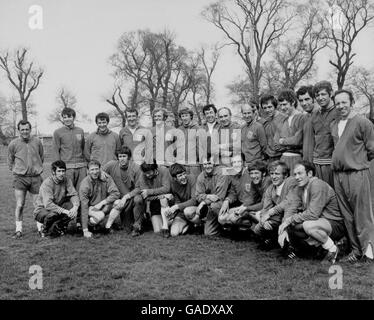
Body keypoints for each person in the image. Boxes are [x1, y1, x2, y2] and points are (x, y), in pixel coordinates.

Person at [331, 89, 374, 263]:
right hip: (339, 175)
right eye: (338, 103)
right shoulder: (334, 124)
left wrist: (358, 161)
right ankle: (356, 251)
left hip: (357, 173)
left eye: (344, 102)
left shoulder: (363, 122)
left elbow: (371, 149)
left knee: (362, 213)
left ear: (352, 102)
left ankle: (369, 252)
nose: (341, 106)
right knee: (347, 215)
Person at [278, 161, 345, 263]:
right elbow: (291, 207)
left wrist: (289, 220)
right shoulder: (301, 187)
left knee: (308, 225)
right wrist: (284, 227)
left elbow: (313, 214)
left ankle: (333, 249)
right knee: (293, 227)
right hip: (319, 222)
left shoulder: (317, 184)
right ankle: (314, 249)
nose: (296, 177)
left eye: (300, 173)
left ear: (309, 174)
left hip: (334, 223)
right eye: (295, 174)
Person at [8, 120, 44, 239]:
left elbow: (41, 156)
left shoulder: (37, 141)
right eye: (22, 129)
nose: (25, 131)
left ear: (30, 129)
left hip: (35, 178)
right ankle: (18, 230)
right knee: (20, 204)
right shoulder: (13, 144)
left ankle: (41, 229)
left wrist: (36, 168)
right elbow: (10, 161)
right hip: (20, 178)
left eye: (27, 129)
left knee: (38, 205)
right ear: (19, 130)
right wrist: (17, 170)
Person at [253, 161, 298, 250]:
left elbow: (289, 202)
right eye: (272, 174)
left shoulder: (291, 182)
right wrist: (264, 221)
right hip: (279, 215)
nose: (273, 177)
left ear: (285, 175)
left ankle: (292, 245)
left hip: (294, 213)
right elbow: (265, 208)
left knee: (287, 225)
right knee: (258, 229)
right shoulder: (270, 189)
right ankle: (272, 239)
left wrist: (271, 212)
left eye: (277, 174)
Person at [218, 156, 271, 230]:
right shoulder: (233, 175)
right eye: (234, 162)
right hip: (248, 206)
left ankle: (252, 227)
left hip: (258, 207)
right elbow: (233, 192)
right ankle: (247, 225)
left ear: (244, 163)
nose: (253, 175)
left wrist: (243, 209)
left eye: (239, 162)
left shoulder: (263, 180)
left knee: (233, 217)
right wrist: (227, 200)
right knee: (221, 218)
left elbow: (254, 199)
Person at [102, 146, 144, 236]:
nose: (122, 159)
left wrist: (126, 196)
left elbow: (139, 188)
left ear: (129, 157)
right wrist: (106, 179)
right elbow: (101, 172)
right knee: (127, 227)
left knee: (138, 199)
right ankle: (110, 225)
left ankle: (137, 225)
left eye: (124, 156)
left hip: (132, 197)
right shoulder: (111, 165)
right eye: (120, 156)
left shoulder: (136, 168)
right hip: (119, 197)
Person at [33, 160, 80, 238]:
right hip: (42, 210)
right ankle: (44, 230)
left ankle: (59, 227)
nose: (62, 174)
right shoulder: (47, 183)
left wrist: (75, 207)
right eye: (59, 171)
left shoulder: (67, 180)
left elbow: (74, 194)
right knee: (53, 214)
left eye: (63, 171)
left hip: (58, 206)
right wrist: (65, 211)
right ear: (53, 172)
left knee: (72, 207)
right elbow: (48, 204)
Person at [79, 160, 120, 238]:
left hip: (103, 205)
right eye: (92, 170)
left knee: (118, 202)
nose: (95, 172)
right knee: (100, 215)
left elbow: (116, 193)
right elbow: (84, 207)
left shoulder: (106, 177)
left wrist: (102, 202)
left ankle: (108, 226)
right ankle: (89, 225)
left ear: (100, 169)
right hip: (91, 208)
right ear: (87, 171)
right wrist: (85, 230)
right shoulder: (84, 184)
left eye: (96, 169)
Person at [309, 81, 337, 187]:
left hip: (332, 162)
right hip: (317, 162)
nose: (320, 98)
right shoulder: (315, 114)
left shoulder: (338, 112)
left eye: (323, 94)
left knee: (334, 194)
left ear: (331, 93)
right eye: (317, 95)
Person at [195, 154, 230, 236]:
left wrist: (203, 202)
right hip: (210, 206)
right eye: (205, 164)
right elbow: (197, 195)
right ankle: (220, 228)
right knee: (208, 233)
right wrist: (207, 196)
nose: (207, 166)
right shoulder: (201, 176)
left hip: (224, 202)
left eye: (209, 163)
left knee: (214, 206)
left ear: (214, 163)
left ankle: (228, 227)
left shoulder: (221, 172)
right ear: (202, 165)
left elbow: (219, 196)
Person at [52, 107, 86, 189]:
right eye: (65, 117)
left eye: (69, 117)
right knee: (67, 191)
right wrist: (57, 168)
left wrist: (85, 164)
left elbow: (83, 148)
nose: (67, 119)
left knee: (82, 190)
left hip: (81, 167)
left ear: (73, 117)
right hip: (67, 167)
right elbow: (56, 150)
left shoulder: (80, 131)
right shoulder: (57, 132)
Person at [135, 160, 171, 237]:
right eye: (145, 173)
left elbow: (166, 188)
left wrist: (149, 191)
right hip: (154, 203)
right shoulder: (143, 175)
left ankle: (166, 227)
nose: (147, 175)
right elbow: (146, 196)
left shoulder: (164, 170)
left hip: (167, 201)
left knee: (163, 199)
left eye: (149, 172)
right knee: (157, 230)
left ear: (155, 169)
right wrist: (157, 195)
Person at [274, 89, 306, 174]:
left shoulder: (301, 117)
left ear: (293, 102)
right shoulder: (283, 120)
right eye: (280, 105)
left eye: (285, 104)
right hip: (283, 158)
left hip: (297, 159)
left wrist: (283, 141)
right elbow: (276, 143)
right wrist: (289, 143)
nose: (282, 108)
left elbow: (297, 140)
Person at [162, 163, 198, 236]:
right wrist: (173, 211)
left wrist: (176, 207)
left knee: (187, 211)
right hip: (182, 212)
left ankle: (196, 224)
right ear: (175, 178)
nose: (184, 177)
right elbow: (177, 201)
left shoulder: (192, 179)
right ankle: (189, 226)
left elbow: (194, 200)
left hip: (193, 210)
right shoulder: (173, 184)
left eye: (184, 174)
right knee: (174, 233)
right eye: (180, 176)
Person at [259, 94, 286, 162]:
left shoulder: (284, 118)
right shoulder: (266, 121)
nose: (267, 110)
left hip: (281, 156)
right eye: (265, 108)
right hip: (269, 157)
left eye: (270, 107)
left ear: (275, 106)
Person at [296, 86, 320, 163]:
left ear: (314, 99)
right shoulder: (304, 117)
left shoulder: (320, 115)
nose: (304, 103)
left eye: (307, 99)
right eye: (301, 100)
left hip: (318, 161)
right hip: (306, 161)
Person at [176, 107, 201, 177]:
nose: (184, 118)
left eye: (186, 115)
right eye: (182, 116)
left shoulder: (197, 128)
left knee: (194, 185)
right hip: (181, 164)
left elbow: (200, 147)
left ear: (191, 116)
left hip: (194, 165)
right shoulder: (178, 130)